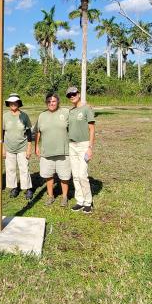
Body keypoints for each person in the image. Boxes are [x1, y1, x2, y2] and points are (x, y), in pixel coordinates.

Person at [35, 93, 71, 207]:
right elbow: (37, 132)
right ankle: (50, 196)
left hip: (63, 151)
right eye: (49, 101)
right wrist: (36, 146)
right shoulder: (42, 116)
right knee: (48, 175)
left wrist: (85, 106)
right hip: (47, 152)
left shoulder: (65, 112)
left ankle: (65, 197)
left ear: (58, 102)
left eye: (54, 101)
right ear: (46, 103)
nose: (51, 103)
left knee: (64, 176)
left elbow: (76, 119)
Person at [65, 86, 95, 214]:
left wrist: (90, 147)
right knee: (76, 175)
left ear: (78, 93)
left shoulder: (87, 109)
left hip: (84, 145)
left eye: (74, 93)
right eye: (69, 95)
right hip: (72, 145)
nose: (72, 96)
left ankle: (88, 202)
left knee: (83, 175)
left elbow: (92, 129)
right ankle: (80, 201)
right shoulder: (70, 111)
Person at [3, 93, 34, 200]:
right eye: (11, 102)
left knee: (24, 168)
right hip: (9, 148)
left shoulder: (24, 116)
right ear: (8, 103)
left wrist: (29, 148)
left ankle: (28, 189)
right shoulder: (5, 116)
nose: (13, 104)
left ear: (19, 103)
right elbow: (2, 133)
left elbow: (29, 133)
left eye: (15, 102)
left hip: (22, 147)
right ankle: (14, 188)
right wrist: (3, 148)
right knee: (10, 169)